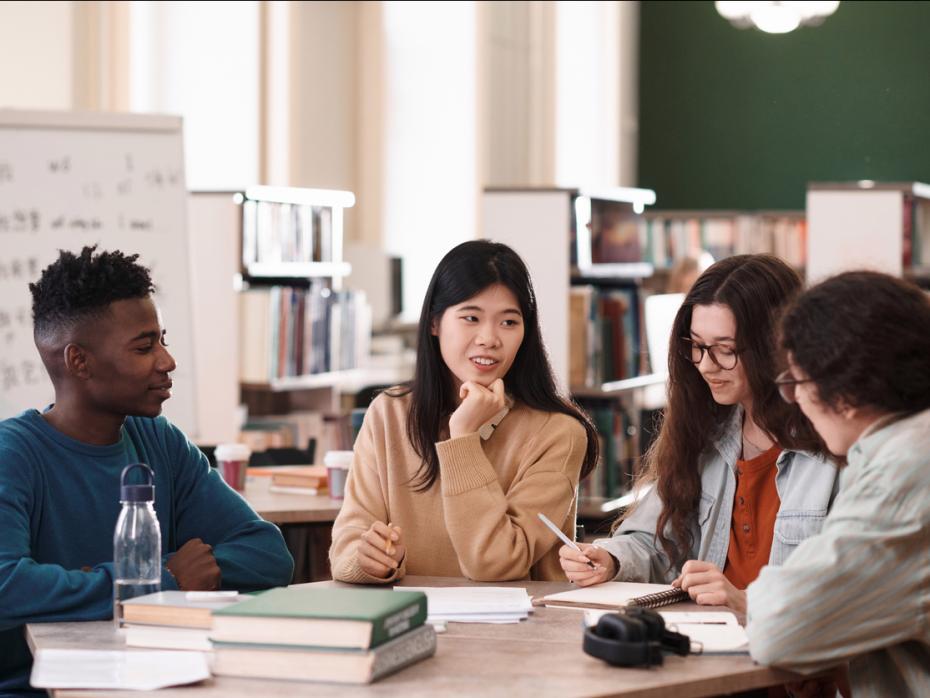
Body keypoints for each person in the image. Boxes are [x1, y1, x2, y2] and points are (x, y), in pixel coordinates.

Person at [0, 247, 294, 693]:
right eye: (144, 347)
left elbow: (267, 554)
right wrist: (162, 580)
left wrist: (88, 584)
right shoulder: (14, 454)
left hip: (164, 680)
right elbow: (7, 587)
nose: (167, 361)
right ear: (79, 361)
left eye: (162, 340)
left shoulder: (159, 440)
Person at [559, 254, 839, 615]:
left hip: (792, 659)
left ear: (776, 346)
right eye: (696, 345)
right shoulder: (705, 431)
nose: (706, 365)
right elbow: (655, 541)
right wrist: (609, 558)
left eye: (725, 349)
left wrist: (747, 604)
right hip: (710, 648)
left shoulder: (835, 448)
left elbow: (850, 598)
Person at [329, 240, 598, 583]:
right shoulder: (388, 414)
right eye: (471, 317)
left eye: (509, 322)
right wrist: (368, 560)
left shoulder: (558, 433)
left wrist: (463, 440)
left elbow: (494, 563)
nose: (489, 338)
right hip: (410, 619)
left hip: (520, 631)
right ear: (434, 323)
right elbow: (347, 547)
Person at [747, 271, 930, 696]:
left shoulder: (902, 474)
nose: (794, 401)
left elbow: (780, 627)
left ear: (843, 393)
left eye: (796, 383)